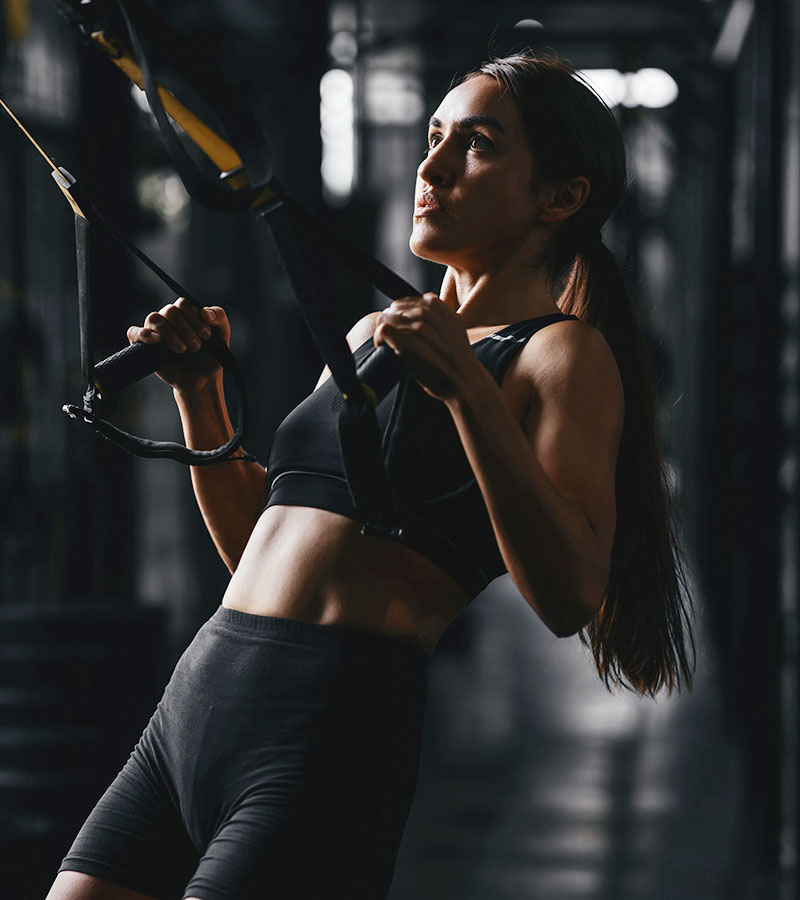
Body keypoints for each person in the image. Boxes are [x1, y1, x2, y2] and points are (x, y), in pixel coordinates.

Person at [46, 52, 693, 900]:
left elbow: (572, 595)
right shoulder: (368, 335)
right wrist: (203, 397)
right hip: (196, 702)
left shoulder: (561, 354)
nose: (432, 167)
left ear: (560, 197)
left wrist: (467, 388)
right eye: (434, 138)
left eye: (479, 144)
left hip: (327, 728)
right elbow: (261, 554)